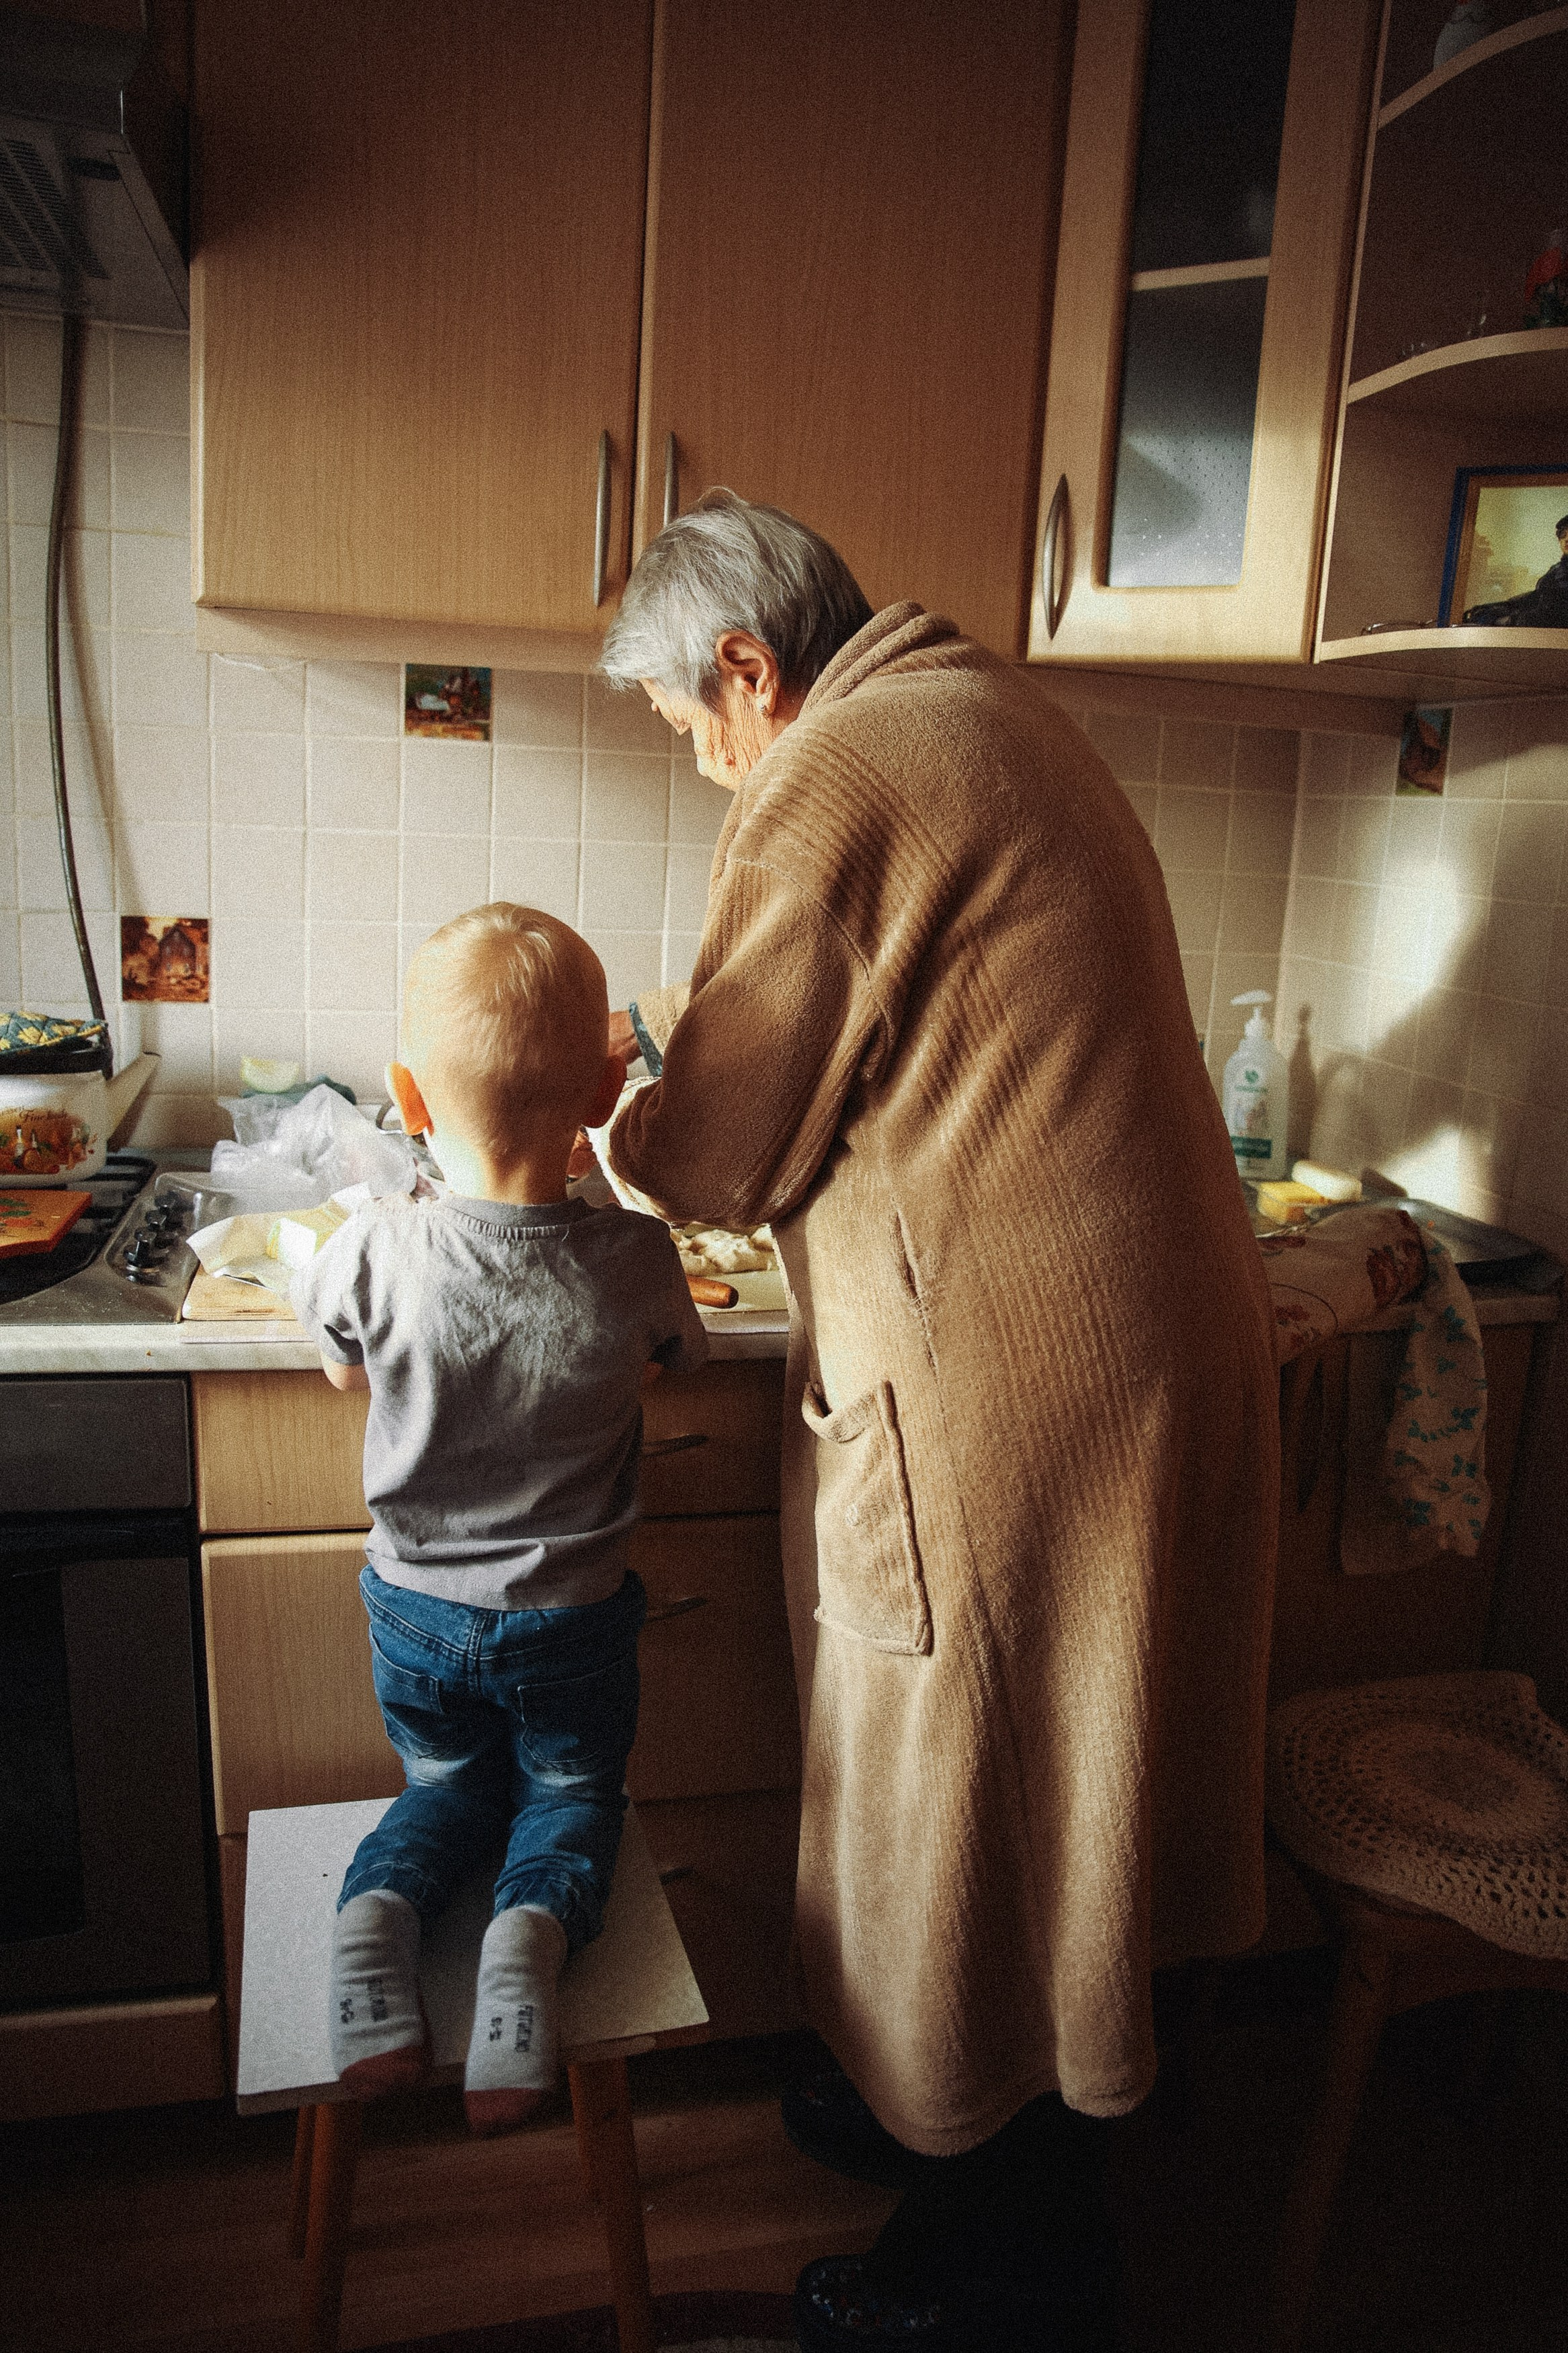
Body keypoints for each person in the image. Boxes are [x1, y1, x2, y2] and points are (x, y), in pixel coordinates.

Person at [593, 491, 1280, 2349]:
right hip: (1137, 1346)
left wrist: (610, 1113)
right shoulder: (991, 708)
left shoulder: (839, 766)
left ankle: (1004, 2254)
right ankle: (968, 2108)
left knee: (970, 1787)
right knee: (1078, 1770)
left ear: (748, 667)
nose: (703, 761)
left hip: (1016, 1381)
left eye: (688, 724)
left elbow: (725, 1149)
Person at [290, 904, 708, 2134]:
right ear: (600, 1089)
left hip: (416, 1612)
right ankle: (527, 1945)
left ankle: (378, 1921)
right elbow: (682, 1357)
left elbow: (335, 1365)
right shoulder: (636, 1258)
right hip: (571, 1623)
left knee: (445, 1787)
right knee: (570, 1802)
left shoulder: (368, 1251)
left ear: (406, 1096)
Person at [1462, 512, 1568, 627]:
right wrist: (1499, 607)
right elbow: (1536, 597)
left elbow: (1555, 611)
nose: (1566, 539)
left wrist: (1512, 620)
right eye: (1563, 535)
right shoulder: (1556, 570)